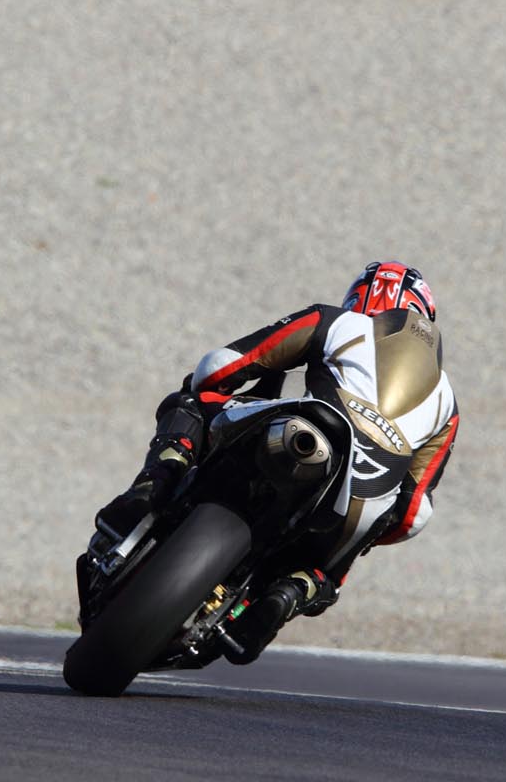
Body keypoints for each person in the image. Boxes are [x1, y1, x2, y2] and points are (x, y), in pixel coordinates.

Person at [89, 261, 459, 663]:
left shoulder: (337, 323)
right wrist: (374, 526)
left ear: (358, 300)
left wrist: (214, 390)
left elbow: (221, 366)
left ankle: (154, 484)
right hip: (361, 500)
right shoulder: (447, 404)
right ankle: (289, 593)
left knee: (192, 402)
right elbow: (413, 514)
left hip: (299, 427)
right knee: (329, 570)